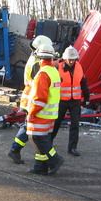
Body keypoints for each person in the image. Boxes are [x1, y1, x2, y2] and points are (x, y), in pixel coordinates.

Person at [8, 35, 53, 164]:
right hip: (32, 100)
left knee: (28, 128)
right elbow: (40, 84)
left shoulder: (34, 59)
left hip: (30, 98)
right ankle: (14, 149)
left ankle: (16, 149)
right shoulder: (36, 64)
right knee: (29, 128)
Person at [26, 43, 64, 175]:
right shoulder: (53, 71)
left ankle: (55, 159)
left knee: (37, 138)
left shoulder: (43, 74)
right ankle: (40, 167)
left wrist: (32, 113)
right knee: (43, 138)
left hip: (41, 113)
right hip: (50, 114)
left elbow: (39, 97)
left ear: (40, 58)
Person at [50, 46, 90, 156]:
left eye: (73, 59)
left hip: (75, 101)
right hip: (61, 100)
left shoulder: (79, 67)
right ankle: (49, 142)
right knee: (56, 122)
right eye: (69, 59)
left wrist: (87, 98)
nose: (71, 61)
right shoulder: (57, 67)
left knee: (75, 124)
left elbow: (83, 83)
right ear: (65, 58)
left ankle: (72, 147)